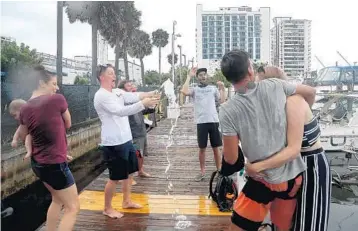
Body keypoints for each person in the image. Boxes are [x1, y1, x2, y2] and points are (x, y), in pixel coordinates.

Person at [219, 50, 316, 231]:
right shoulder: (275, 85)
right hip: (290, 180)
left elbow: (232, 159)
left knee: (238, 228)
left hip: (261, 179)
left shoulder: (227, 110)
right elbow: (310, 91)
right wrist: (302, 120)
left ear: (228, 79)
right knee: (282, 227)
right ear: (250, 70)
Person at [245, 66, 331, 231]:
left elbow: (293, 150)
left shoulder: (293, 101)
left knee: (309, 222)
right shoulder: (277, 106)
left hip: (310, 165)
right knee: (288, 221)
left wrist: (256, 167)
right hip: (292, 167)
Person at [93, 64, 159, 219]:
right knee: (114, 178)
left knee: (130, 173)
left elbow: (133, 96)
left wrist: (149, 94)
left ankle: (126, 201)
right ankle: (107, 208)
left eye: (114, 73)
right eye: (110, 73)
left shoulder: (117, 92)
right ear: (102, 77)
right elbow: (120, 111)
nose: (114, 76)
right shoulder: (101, 95)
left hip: (126, 139)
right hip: (113, 143)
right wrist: (144, 104)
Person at [18, 65, 79, 231]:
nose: (57, 87)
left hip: (38, 164)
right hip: (55, 165)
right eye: (53, 83)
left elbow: (25, 134)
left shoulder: (24, 108)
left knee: (57, 199)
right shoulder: (56, 100)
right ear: (41, 83)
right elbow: (68, 123)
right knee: (72, 208)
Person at [181, 67, 226, 181]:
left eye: (205, 74)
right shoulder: (195, 89)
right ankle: (202, 172)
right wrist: (189, 76)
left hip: (214, 121)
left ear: (207, 76)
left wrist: (222, 89)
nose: (203, 76)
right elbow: (184, 91)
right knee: (202, 149)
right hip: (201, 122)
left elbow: (222, 101)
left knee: (216, 148)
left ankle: (219, 170)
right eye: (200, 75)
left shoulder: (213, 88)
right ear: (197, 77)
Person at [118, 80, 154, 178]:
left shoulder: (136, 99)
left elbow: (143, 110)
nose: (132, 86)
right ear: (122, 89)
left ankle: (140, 170)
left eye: (132, 85)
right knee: (133, 154)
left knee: (141, 154)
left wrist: (151, 106)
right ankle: (128, 176)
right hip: (132, 132)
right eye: (128, 85)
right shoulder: (122, 100)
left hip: (141, 130)